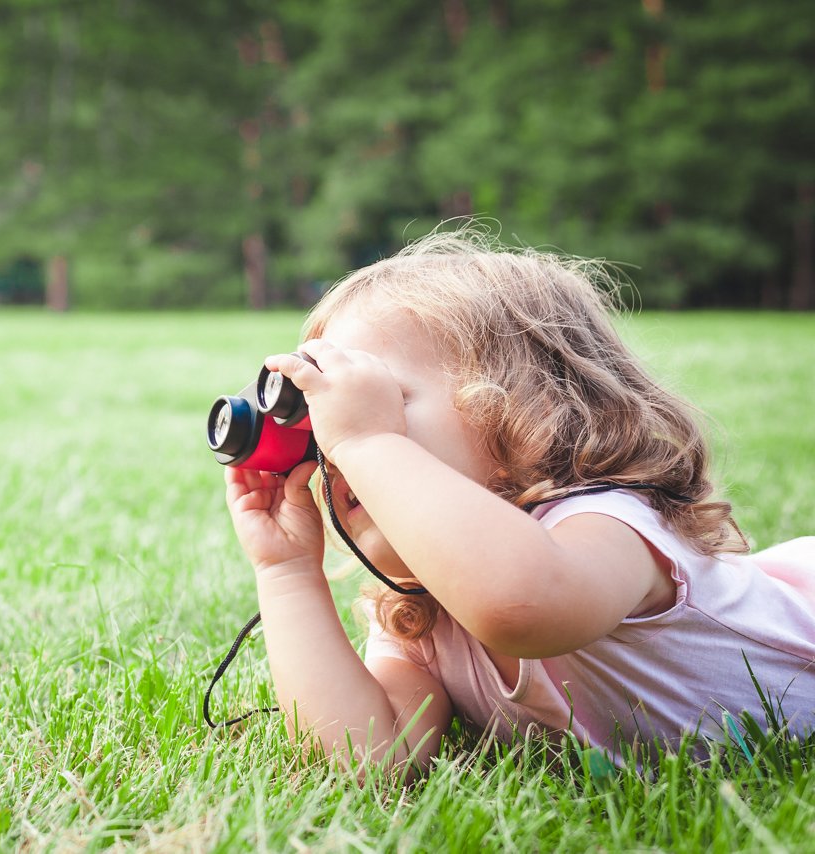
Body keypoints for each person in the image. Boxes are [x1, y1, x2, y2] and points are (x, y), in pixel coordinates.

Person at [223, 224, 815, 776]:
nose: (333, 438)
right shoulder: (418, 613)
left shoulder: (607, 526)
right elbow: (371, 756)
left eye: (381, 398)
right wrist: (286, 572)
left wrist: (368, 439)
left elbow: (522, 604)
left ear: (529, 411)